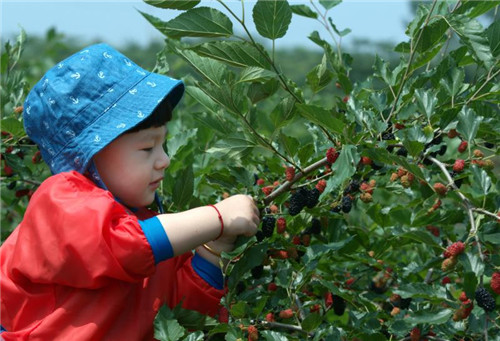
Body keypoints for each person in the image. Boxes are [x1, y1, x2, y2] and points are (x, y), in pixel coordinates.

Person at [0, 43, 260, 340]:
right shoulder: (61, 202)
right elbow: (125, 246)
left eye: (162, 144)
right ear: (90, 155)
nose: (164, 159)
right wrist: (216, 217)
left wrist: (216, 248)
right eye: (147, 148)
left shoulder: (146, 224)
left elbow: (185, 313)